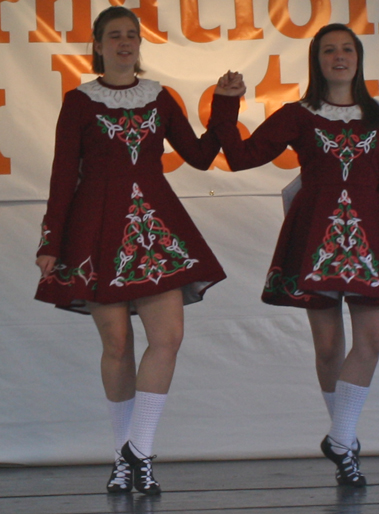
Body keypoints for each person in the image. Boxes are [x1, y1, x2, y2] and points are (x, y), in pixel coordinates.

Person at [211, 23, 379, 487]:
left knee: (372, 339)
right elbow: (242, 156)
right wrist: (226, 105)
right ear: (317, 60)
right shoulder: (298, 115)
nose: (338, 56)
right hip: (313, 238)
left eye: (347, 49)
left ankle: (340, 437)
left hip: (371, 242)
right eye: (328, 50)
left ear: (359, 58)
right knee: (328, 346)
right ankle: (346, 447)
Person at [35, 6, 226, 496]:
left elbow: (201, 157)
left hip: (156, 229)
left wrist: (224, 107)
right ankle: (124, 460)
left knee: (169, 338)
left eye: (131, 36)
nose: (124, 43)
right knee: (117, 345)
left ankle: (137, 450)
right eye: (114, 36)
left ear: (140, 45)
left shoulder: (160, 98)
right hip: (95, 230)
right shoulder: (78, 102)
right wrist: (51, 240)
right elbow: (62, 175)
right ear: (97, 46)